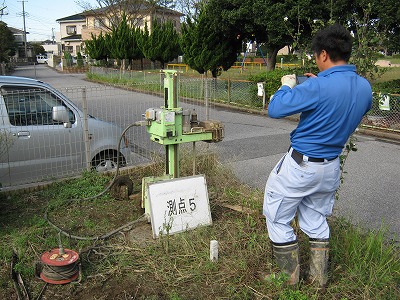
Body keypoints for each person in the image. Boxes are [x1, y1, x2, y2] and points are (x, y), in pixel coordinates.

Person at [263, 23, 372, 287]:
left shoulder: (317, 88)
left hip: (300, 166)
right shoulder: (364, 88)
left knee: (276, 216)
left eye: (316, 56)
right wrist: (319, 85)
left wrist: (288, 86)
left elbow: (275, 109)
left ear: (323, 55)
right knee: (315, 219)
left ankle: (288, 279)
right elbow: (338, 102)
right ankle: (318, 279)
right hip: (330, 167)